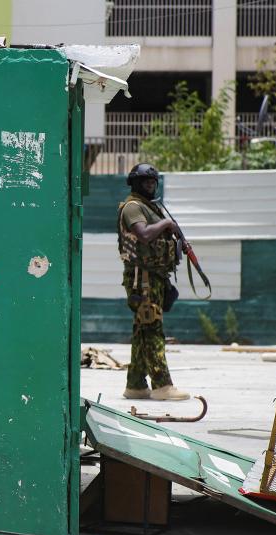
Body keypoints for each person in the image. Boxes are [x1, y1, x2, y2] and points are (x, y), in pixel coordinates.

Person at [118, 163, 190, 401]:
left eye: (153, 181)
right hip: (143, 279)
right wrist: (168, 224)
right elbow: (145, 235)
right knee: (152, 330)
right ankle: (162, 385)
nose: (150, 185)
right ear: (136, 184)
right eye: (145, 181)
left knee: (142, 330)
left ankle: (136, 384)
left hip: (156, 276)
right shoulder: (133, 208)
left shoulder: (152, 208)